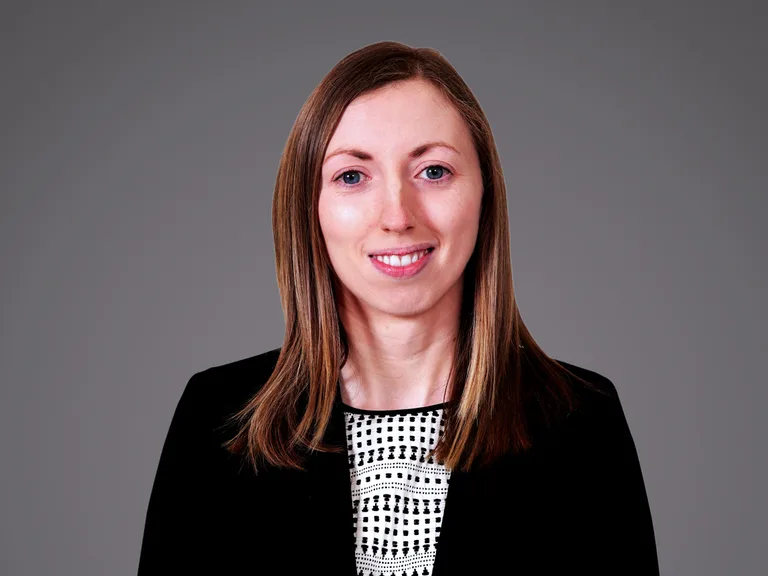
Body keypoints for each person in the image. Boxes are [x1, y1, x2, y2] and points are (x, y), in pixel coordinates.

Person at [137, 41, 660, 575]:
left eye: (433, 171)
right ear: (308, 208)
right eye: (351, 176)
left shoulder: (580, 420)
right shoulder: (219, 420)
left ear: (485, 194)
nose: (397, 215)